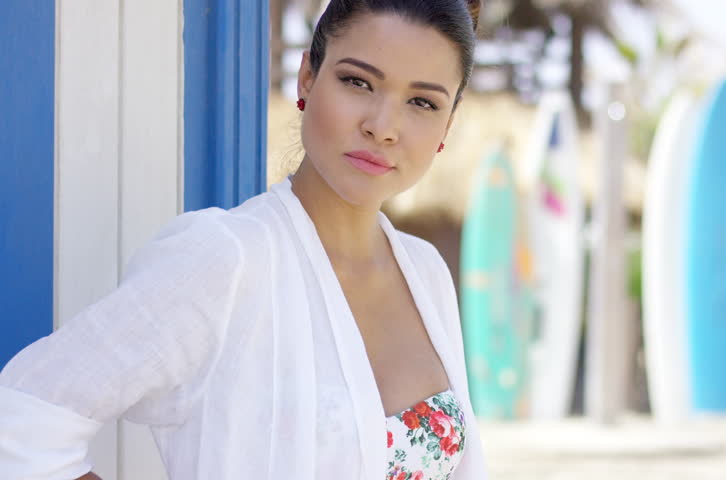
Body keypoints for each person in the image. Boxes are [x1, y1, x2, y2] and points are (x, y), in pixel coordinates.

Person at [0, 0, 487, 479]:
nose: (382, 127)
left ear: (448, 123)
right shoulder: (225, 260)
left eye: (422, 102)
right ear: (307, 77)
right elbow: (20, 422)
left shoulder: (425, 273)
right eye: (358, 82)